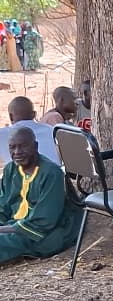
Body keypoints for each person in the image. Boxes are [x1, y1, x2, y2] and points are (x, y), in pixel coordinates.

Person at [0, 127, 82, 264]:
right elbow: (2, 205)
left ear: (35, 146)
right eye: (12, 148)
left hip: (46, 232)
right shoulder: (10, 170)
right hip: (15, 226)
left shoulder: (51, 173)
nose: (17, 152)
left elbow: (44, 221)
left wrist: (3, 230)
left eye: (23, 146)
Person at [0, 97, 60, 165]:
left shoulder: (3, 134)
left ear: (11, 116)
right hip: (55, 173)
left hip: (25, 174)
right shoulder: (50, 130)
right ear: (34, 114)